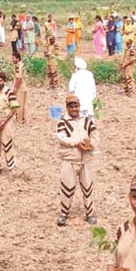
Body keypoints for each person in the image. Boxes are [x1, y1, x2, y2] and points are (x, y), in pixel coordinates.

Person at [56, 94, 99, 226]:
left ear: (79, 106)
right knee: (67, 187)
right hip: (70, 158)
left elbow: (95, 135)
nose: (74, 109)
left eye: (76, 106)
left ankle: (90, 213)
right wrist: (76, 143)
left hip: (86, 159)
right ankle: (64, 213)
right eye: (71, 106)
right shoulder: (62, 122)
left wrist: (91, 144)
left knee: (87, 187)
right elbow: (61, 137)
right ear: (67, 108)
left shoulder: (87, 121)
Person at [12, 51, 27, 124]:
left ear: (18, 59)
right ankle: (22, 119)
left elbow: (19, 78)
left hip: (20, 88)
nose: (12, 60)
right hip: (23, 87)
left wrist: (15, 88)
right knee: (22, 104)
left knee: (19, 104)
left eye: (13, 58)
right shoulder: (21, 65)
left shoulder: (18, 66)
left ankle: (20, 120)